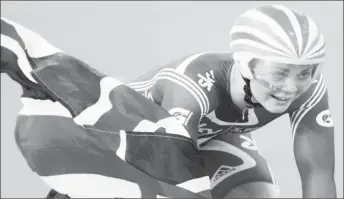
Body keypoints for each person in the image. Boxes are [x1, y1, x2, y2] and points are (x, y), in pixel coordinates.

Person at [1, 4, 336, 199]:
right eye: (280, 73)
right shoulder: (192, 87)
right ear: (246, 63)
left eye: (305, 73)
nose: (291, 87)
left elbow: (317, 171)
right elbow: (174, 170)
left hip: (205, 138)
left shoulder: (309, 91)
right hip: (139, 142)